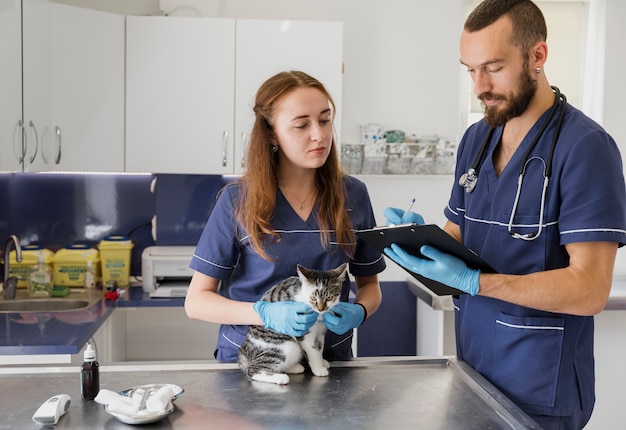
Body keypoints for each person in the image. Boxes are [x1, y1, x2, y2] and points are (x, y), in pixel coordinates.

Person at [384, 1, 626, 429]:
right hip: (474, 372)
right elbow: (457, 236)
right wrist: (415, 242)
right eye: (470, 69)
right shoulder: (476, 139)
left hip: (539, 386)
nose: (479, 86)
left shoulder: (585, 148)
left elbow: (590, 290)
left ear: (537, 56)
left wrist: (477, 282)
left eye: (493, 67)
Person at [185, 70, 386, 363]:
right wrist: (262, 313)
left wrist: (361, 311)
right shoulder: (237, 199)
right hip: (253, 363)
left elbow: (370, 286)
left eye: (325, 119)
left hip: (329, 363)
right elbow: (196, 302)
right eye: (301, 125)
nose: (319, 134)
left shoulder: (352, 195)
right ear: (271, 133)